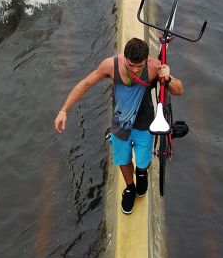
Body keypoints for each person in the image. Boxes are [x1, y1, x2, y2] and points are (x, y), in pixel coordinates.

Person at [54, 37, 184, 214]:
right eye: (131, 66)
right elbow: (85, 83)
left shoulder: (154, 67)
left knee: (143, 161)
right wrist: (64, 110)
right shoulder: (110, 66)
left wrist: (167, 78)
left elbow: (179, 90)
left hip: (144, 124)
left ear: (146, 60)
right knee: (122, 160)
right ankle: (129, 187)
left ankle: (141, 173)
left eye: (139, 67)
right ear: (124, 57)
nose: (136, 71)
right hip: (120, 125)